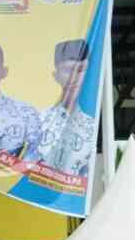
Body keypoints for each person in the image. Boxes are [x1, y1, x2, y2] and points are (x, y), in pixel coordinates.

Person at [28, 39, 96, 177]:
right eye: (67, 70)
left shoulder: (94, 125)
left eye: (80, 70)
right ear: (56, 76)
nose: (73, 77)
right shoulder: (39, 122)